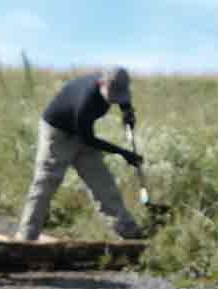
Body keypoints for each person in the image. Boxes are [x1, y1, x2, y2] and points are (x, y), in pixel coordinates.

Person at [16, 67, 144, 241]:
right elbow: (88, 139)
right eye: (113, 94)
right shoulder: (85, 100)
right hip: (57, 133)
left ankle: (130, 233)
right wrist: (123, 153)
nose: (116, 99)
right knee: (46, 182)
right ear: (101, 83)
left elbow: (123, 98)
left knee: (103, 182)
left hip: (81, 132)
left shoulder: (115, 85)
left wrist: (127, 112)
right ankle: (25, 239)